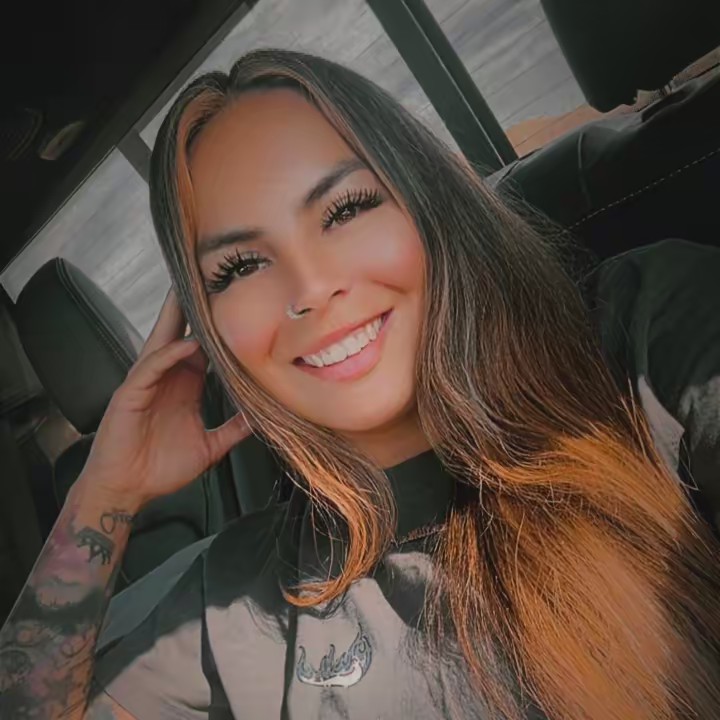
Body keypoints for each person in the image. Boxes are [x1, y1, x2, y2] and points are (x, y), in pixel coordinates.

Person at [1, 48, 719, 720]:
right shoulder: (236, 604)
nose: (310, 288)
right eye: (240, 267)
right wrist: (105, 492)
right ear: (211, 330)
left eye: (345, 210)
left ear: (428, 200)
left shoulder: (648, 338)